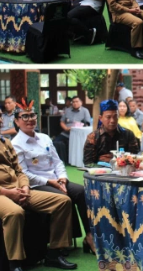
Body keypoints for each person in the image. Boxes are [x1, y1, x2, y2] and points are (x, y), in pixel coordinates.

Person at [0, 97, 76, 271]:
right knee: (14, 212)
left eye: (0, 116)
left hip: (17, 190)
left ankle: (54, 253)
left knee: (62, 201)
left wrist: (24, 188)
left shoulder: (4, 142)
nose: (0, 120)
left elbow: (20, 171)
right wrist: (7, 193)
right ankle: (15, 264)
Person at [11, 100, 95, 255]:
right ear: (16, 121)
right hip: (37, 184)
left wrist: (62, 177)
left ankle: (89, 236)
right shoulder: (16, 144)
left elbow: (57, 162)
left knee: (81, 192)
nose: (30, 119)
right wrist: (50, 182)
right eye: (25, 116)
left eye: (32, 115)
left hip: (56, 179)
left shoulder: (44, 137)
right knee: (63, 197)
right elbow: (24, 173)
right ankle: (60, 244)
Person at [83, 100, 139, 166]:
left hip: (123, 170)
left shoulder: (128, 134)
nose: (112, 120)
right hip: (100, 171)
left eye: (115, 116)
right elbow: (88, 162)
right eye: (108, 117)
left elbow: (134, 158)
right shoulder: (93, 137)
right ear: (100, 118)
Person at [52, 96, 91, 164]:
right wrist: (66, 128)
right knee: (55, 142)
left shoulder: (85, 111)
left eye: (77, 101)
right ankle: (59, 161)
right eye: (73, 102)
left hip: (77, 134)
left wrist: (77, 127)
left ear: (81, 102)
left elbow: (87, 124)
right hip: (66, 133)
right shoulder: (67, 110)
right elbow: (62, 122)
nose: (75, 103)